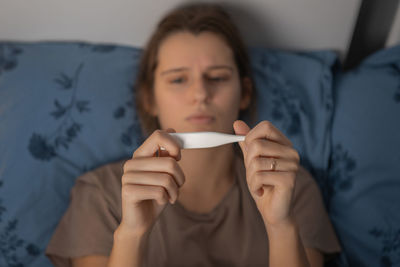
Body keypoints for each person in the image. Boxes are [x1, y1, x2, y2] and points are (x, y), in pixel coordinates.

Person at [46, 3, 341, 267]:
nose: (200, 94)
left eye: (217, 77)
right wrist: (132, 235)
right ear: (149, 98)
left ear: (245, 93)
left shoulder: (290, 186)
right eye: (177, 79)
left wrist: (281, 226)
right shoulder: (102, 194)